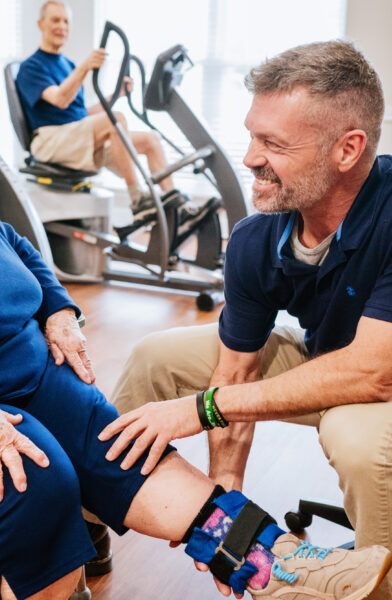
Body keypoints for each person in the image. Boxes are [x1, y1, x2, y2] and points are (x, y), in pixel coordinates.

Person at [0, 29, 389, 600]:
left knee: (120, 445)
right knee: (38, 480)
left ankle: (275, 562)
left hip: (20, 374)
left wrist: (56, 307)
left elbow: (16, 248)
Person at [106, 40, 392, 600]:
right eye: (252, 135)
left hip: (381, 373)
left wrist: (202, 409)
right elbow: (235, 372)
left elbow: (374, 375)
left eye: (273, 144)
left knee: (353, 435)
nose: (249, 158)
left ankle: (379, 584)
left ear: (348, 150)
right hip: (335, 355)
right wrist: (224, 503)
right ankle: (91, 513)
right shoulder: (260, 235)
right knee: (154, 357)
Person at [16, 0, 212, 240]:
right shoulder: (30, 67)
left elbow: (83, 114)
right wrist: (86, 66)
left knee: (150, 140)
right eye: (55, 20)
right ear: (41, 24)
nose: (62, 26)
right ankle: (138, 200)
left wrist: (116, 94)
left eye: (66, 21)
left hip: (75, 136)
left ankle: (176, 211)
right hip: (51, 142)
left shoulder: (67, 64)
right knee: (114, 120)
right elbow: (59, 100)